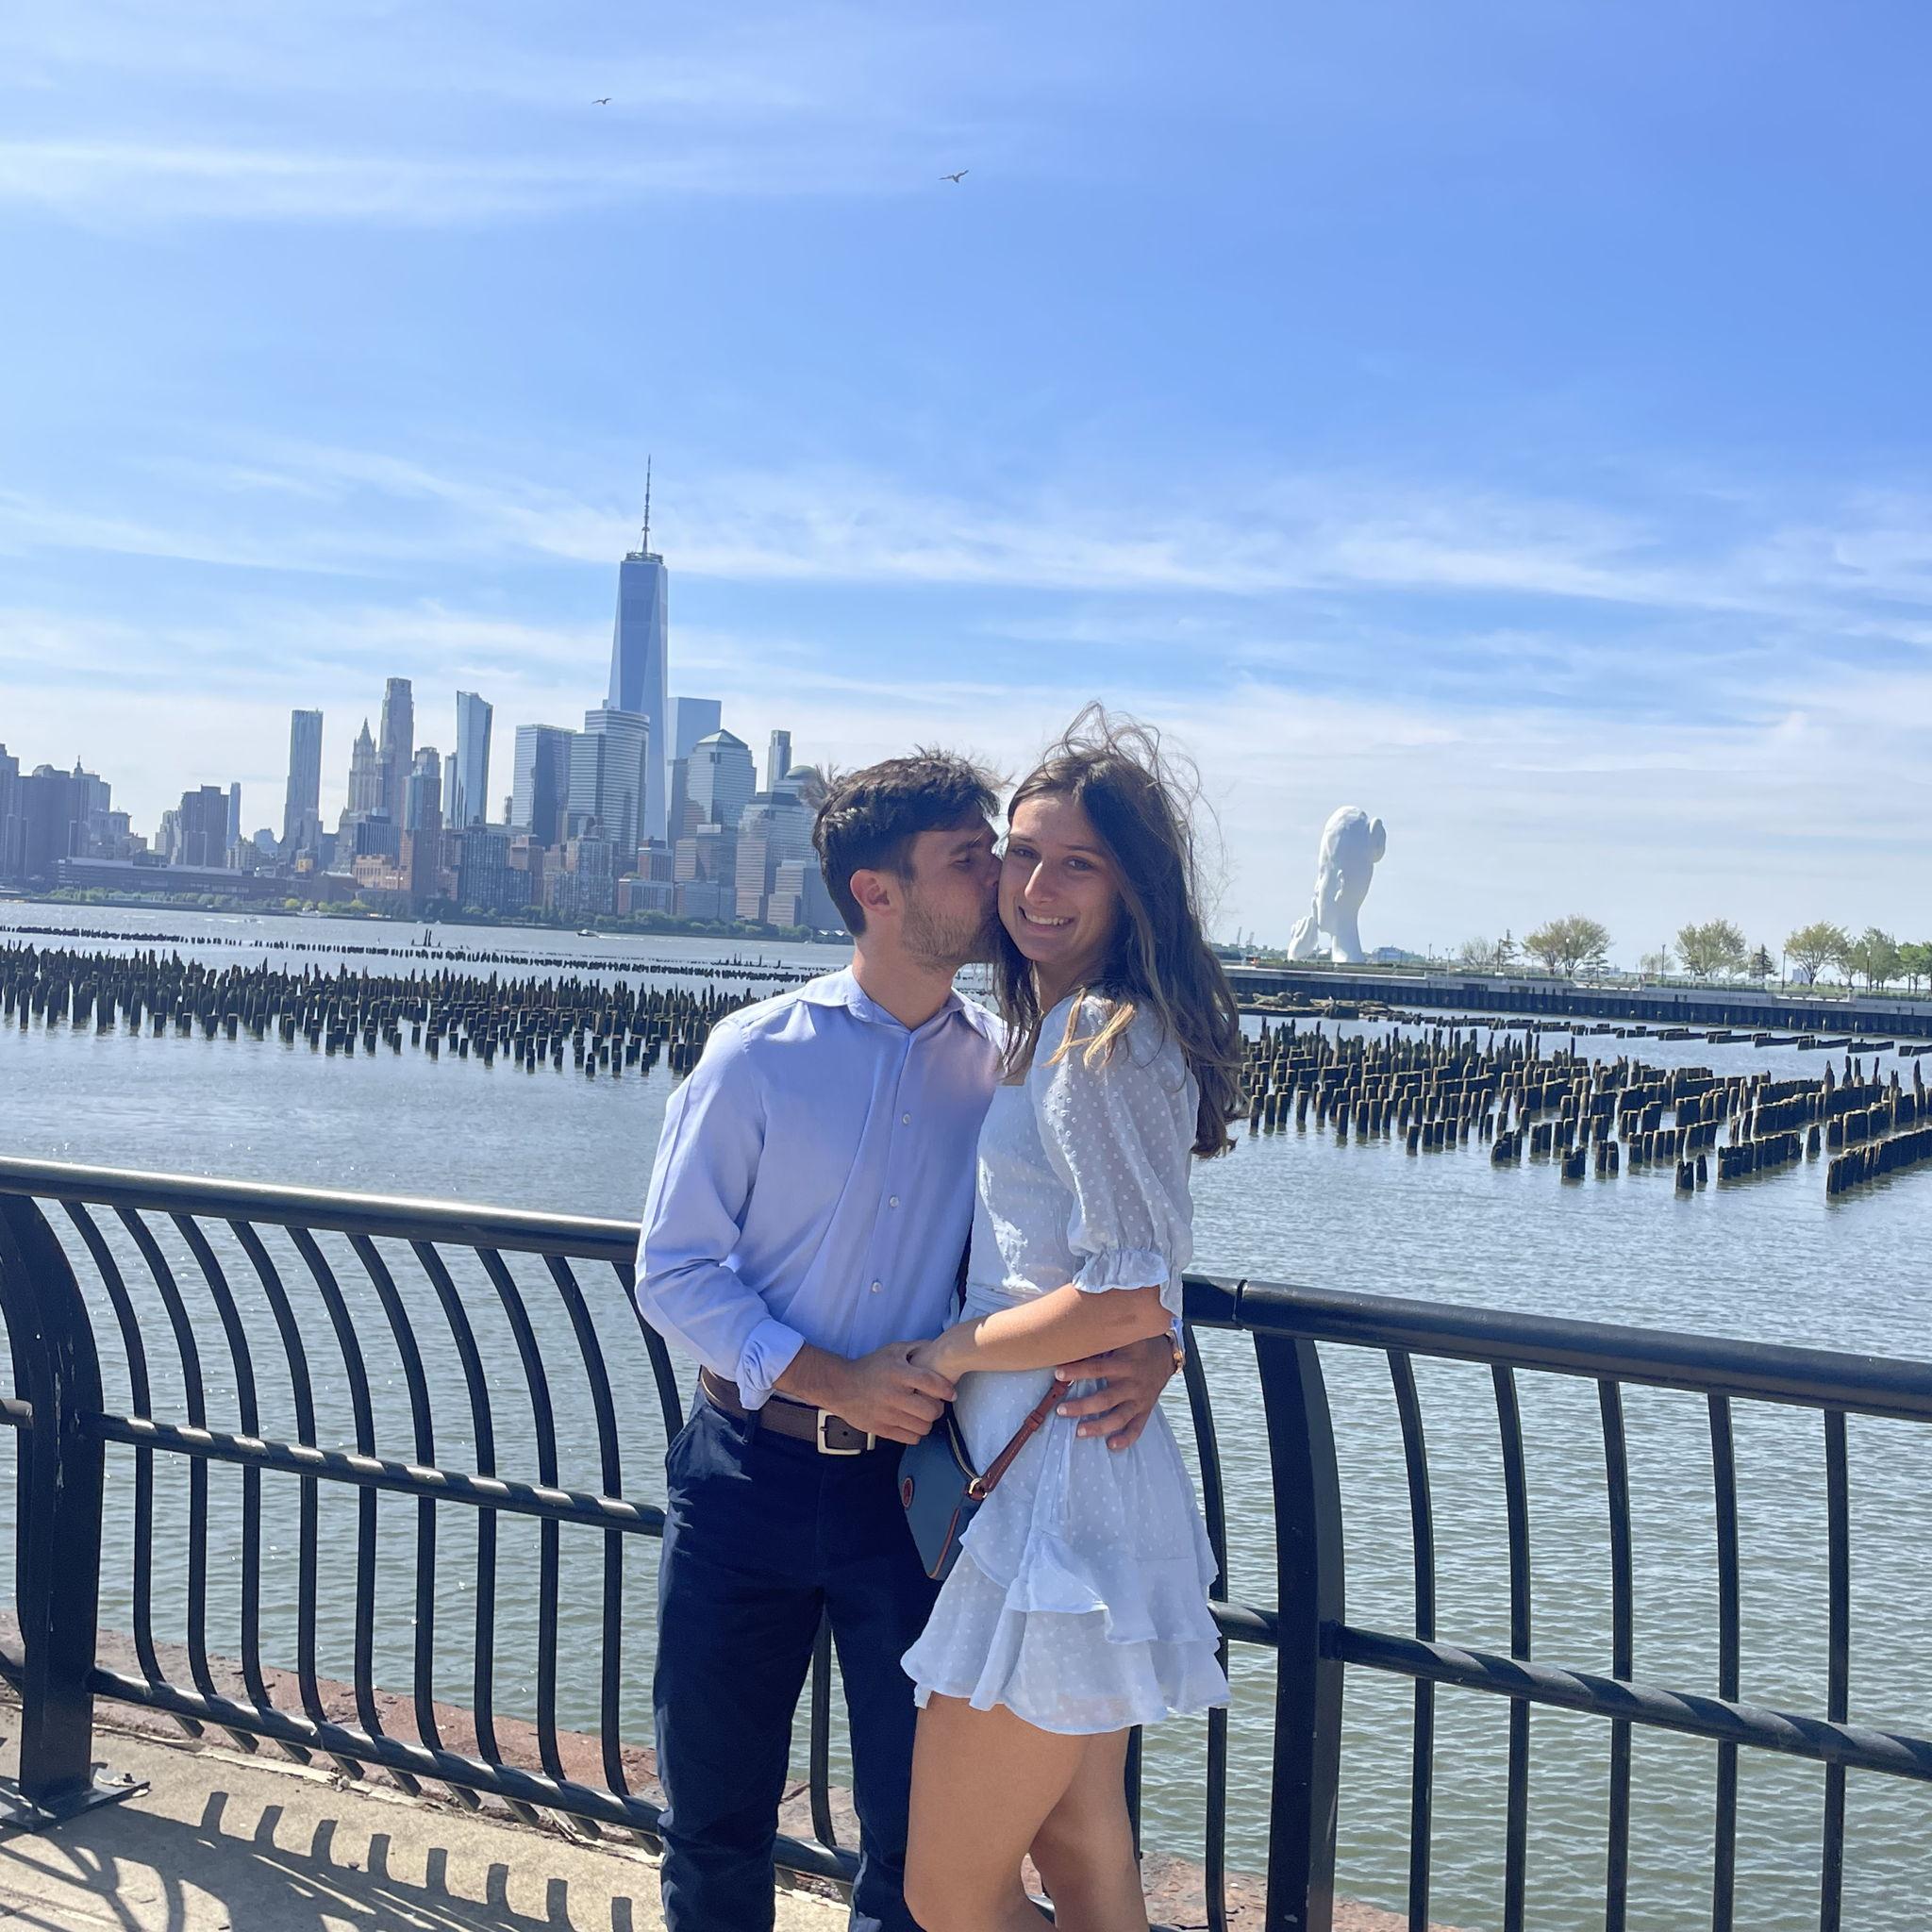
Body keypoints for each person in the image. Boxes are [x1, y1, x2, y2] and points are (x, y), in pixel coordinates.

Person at [635, 749, 1182, 1932]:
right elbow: (670, 1270)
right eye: (972, 859)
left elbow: (1106, 1247)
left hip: (920, 1487)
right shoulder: (755, 1054)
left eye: (1009, 854)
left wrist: (1158, 1341)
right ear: (874, 891)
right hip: (748, 1471)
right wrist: (833, 1374)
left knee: (912, 1835)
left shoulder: (1008, 1057)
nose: (1002, 880)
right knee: (713, 1820)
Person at [901, 709, 1242, 1932]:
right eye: (1024, 853)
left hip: (1050, 1497)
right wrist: (1156, 1335)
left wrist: (951, 1350)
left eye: (1078, 862)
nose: (1037, 886)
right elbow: (1144, 1278)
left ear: (1133, 887)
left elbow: (1128, 1285)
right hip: (1080, 1469)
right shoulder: (1071, 1027)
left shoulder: (1098, 1038)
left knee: (946, 1893)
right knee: (1085, 1850)